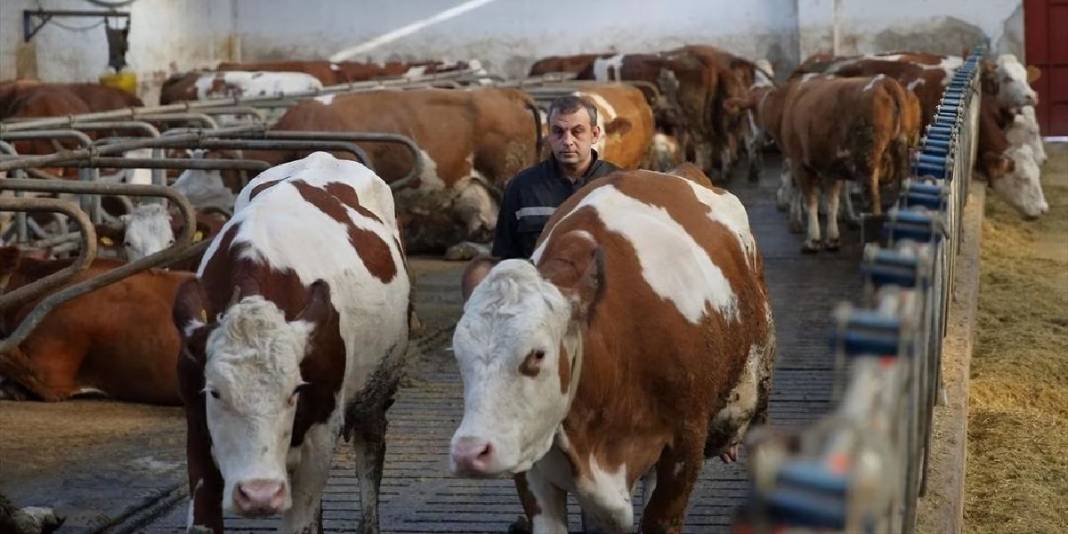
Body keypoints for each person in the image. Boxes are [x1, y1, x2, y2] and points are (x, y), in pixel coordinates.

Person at [491, 95, 620, 259]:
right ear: (548, 135)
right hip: (539, 275)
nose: (567, 141)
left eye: (577, 131)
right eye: (558, 132)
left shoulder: (618, 184)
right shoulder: (522, 188)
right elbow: (504, 257)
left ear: (594, 134)